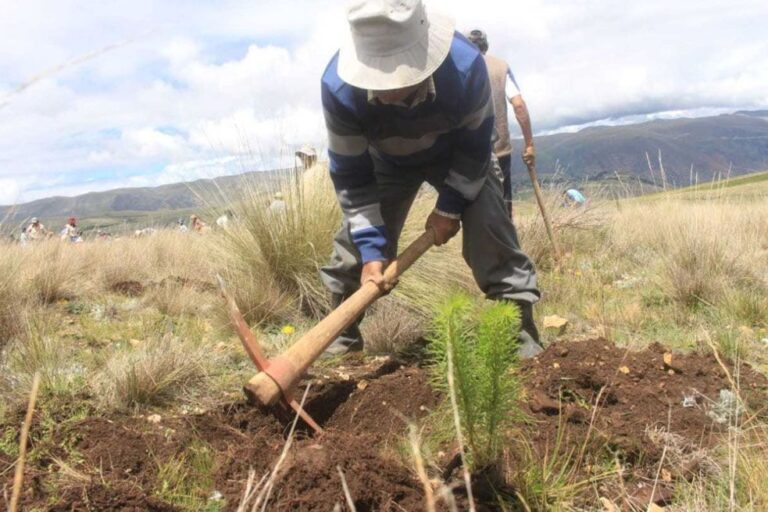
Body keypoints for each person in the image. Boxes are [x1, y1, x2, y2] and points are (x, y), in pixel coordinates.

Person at [320, 0, 541, 357]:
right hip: (385, 162)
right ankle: (338, 347)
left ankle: (520, 339)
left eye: (400, 75)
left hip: (457, 154)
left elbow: (474, 150)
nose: (390, 90)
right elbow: (352, 178)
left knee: (491, 229)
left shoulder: (466, 67)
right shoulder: (339, 88)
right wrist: (373, 251)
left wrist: (449, 209)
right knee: (353, 250)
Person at [466, 29, 535, 219]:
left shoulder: (459, 66)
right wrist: (529, 144)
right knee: (504, 209)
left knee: (474, 210)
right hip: (500, 149)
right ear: (485, 46)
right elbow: (519, 105)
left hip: (469, 152)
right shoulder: (500, 67)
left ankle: (479, 247)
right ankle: (506, 245)